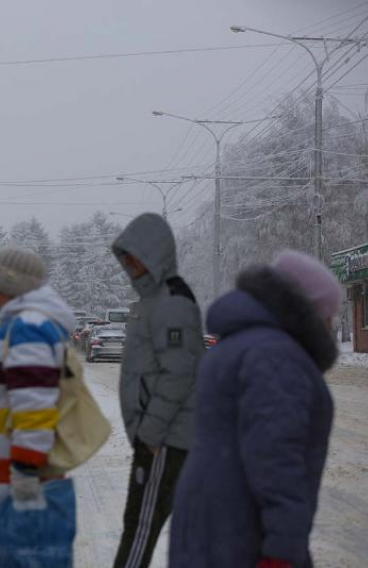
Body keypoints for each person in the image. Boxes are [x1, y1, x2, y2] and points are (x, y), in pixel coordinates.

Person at [169, 250, 341, 568]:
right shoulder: (275, 356)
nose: (331, 326)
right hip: (243, 538)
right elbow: (277, 463)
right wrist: (282, 553)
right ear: (308, 310)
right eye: (329, 315)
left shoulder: (235, 345)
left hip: (209, 528)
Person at [0, 247, 78, 568]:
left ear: (10, 288)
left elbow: (34, 402)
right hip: (9, 472)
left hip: (16, 476)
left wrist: (26, 469)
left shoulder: (28, 326)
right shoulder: (26, 325)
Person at [111, 213, 204, 568]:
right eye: (126, 256)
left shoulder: (171, 303)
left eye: (135, 255)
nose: (129, 264)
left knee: (139, 528)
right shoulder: (155, 300)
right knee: (142, 527)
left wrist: (150, 433)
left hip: (165, 440)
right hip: (161, 439)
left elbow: (179, 373)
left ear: (154, 254)